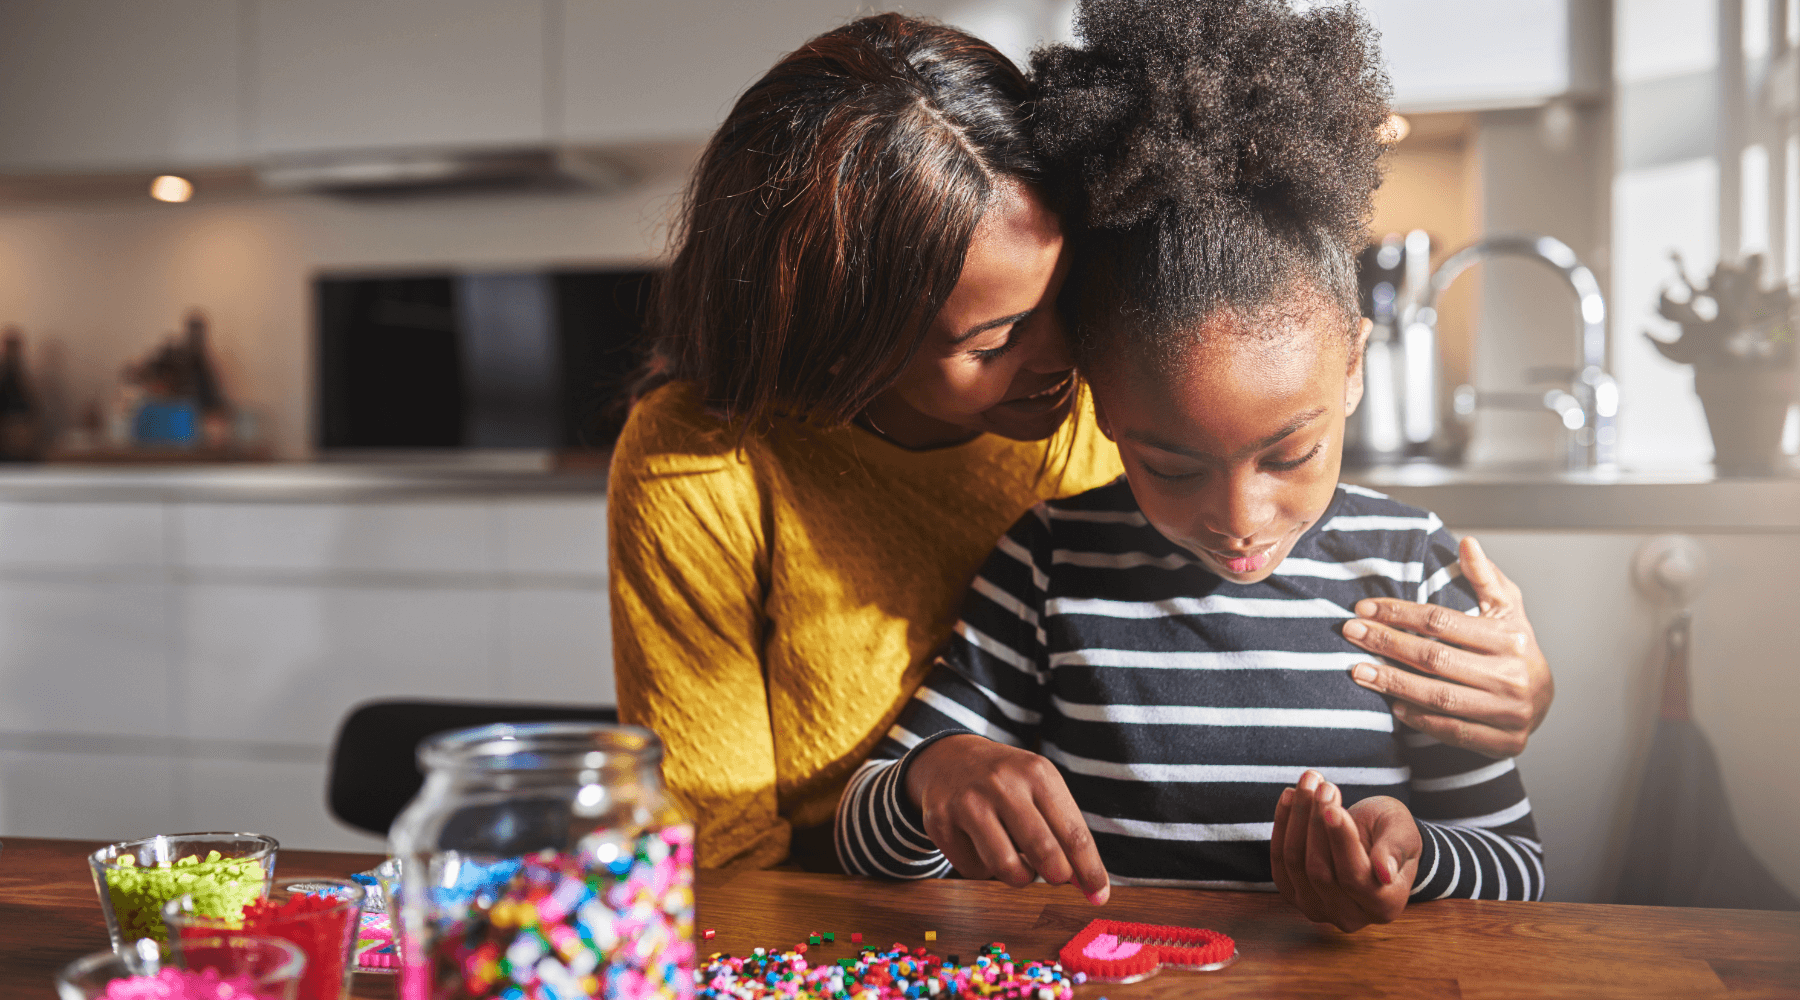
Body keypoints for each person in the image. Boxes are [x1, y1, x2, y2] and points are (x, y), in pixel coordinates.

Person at [611, 11, 1554, 876]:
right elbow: (723, 858)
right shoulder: (708, 465)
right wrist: (926, 783)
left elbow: (1502, 850)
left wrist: (1508, 697)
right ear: (852, 343)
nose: (1066, 357)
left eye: (1064, 302)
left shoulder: (1124, 395)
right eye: (994, 339)